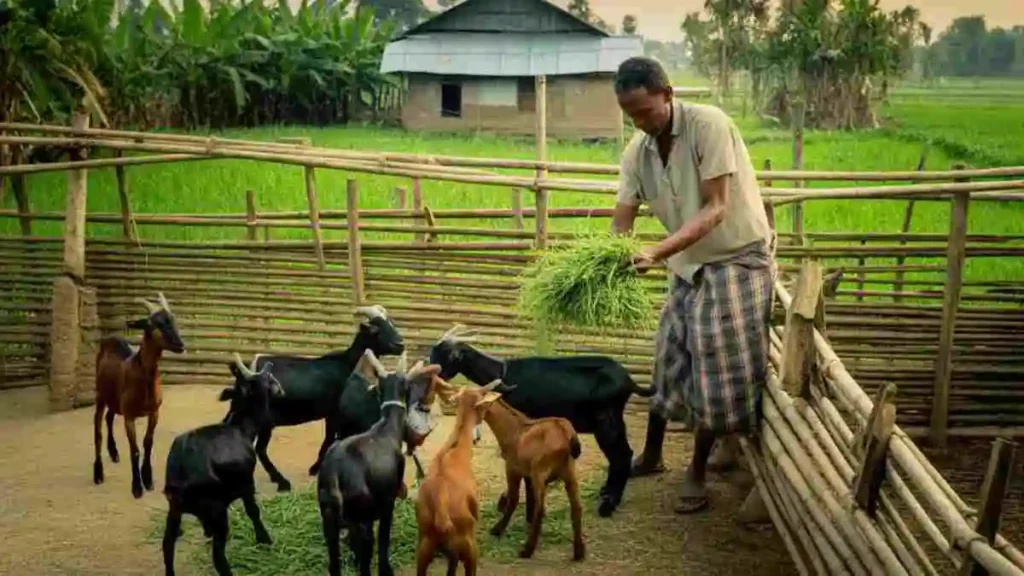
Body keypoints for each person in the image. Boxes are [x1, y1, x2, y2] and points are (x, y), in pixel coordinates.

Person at [610, 56, 776, 514]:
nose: (639, 123)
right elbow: (621, 219)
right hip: (686, 261)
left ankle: (698, 470)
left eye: (645, 111)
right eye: (630, 115)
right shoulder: (637, 151)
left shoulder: (709, 126)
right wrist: (606, 258)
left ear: (668, 94)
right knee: (668, 358)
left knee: (714, 367)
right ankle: (655, 454)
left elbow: (717, 207)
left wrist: (655, 253)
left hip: (735, 258)